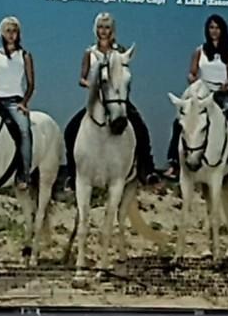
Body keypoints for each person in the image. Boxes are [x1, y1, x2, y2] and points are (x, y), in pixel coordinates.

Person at [64, 13, 158, 188]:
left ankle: (147, 169)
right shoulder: (90, 52)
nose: (103, 31)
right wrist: (93, 84)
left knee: (140, 128)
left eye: (107, 27)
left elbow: (124, 74)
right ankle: (72, 173)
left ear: (112, 30)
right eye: (100, 27)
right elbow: (82, 78)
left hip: (118, 100)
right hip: (98, 100)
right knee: (71, 130)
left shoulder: (120, 51)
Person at [164, 14, 228, 181]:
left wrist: (226, 84)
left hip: (222, 94)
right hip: (202, 91)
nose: (214, 31)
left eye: (217, 28)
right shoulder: (199, 51)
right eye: (211, 27)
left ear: (222, 30)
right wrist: (192, 79)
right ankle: (174, 162)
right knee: (179, 122)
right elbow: (192, 72)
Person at [0, 16, 35, 190]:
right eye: (8, 31)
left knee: (24, 131)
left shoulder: (25, 55)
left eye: (14, 31)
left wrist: (24, 102)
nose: (11, 34)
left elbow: (31, 83)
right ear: (2, 33)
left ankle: (24, 174)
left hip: (15, 102)